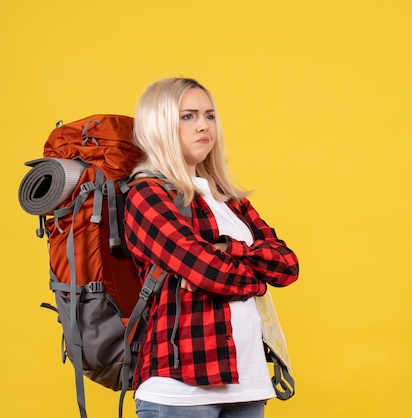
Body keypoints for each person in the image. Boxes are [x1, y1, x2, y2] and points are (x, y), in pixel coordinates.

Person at [123, 77, 299, 418]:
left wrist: (226, 250)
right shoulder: (147, 194)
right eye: (188, 116)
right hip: (180, 390)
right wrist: (254, 278)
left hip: (248, 384)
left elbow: (288, 266)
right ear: (159, 124)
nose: (203, 125)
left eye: (209, 115)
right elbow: (210, 272)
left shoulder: (227, 197)